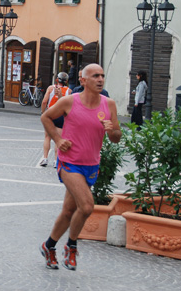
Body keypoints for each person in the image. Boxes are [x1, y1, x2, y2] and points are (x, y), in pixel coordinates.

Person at [40, 64, 121, 271]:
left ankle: (48, 245)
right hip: (69, 162)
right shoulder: (70, 101)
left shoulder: (109, 105)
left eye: (102, 76)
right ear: (83, 80)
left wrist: (112, 131)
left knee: (68, 211)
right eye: (95, 76)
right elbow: (46, 117)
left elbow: (116, 138)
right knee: (86, 206)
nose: (100, 79)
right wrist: (57, 140)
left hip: (91, 165)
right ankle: (72, 246)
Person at [39, 72, 71, 168]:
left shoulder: (50, 88)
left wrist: (43, 112)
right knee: (58, 139)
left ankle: (45, 158)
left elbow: (44, 101)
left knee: (47, 137)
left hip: (50, 114)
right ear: (66, 81)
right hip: (60, 116)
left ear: (57, 79)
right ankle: (55, 160)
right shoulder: (69, 91)